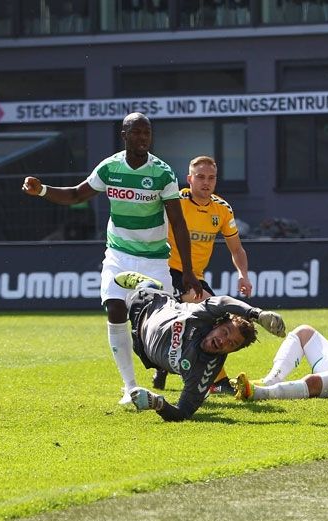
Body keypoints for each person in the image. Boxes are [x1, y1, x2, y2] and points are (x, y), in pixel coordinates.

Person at [22, 113, 201, 405]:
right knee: (115, 309)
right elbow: (75, 195)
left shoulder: (162, 173)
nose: (143, 138)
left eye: (147, 133)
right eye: (137, 132)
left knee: (162, 326)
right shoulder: (109, 167)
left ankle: (178, 374)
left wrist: (189, 272)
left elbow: (178, 224)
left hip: (154, 260)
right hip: (119, 255)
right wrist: (42, 190)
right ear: (124, 135)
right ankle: (130, 388)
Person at [114, 271, 286, 421]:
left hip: (146, 351)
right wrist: (256, 314)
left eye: (231, 343)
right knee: (122, 302)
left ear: (232, 351)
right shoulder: (203, 316)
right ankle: (147, 284)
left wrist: (159, 405)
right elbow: (223, 302)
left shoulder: (206, 370)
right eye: (225, 332)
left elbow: (183, 412)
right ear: (216, 324)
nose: (223, 341)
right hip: (150, 306)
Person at [152, 155, 253, 394]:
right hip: (168, 272)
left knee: (199, 323)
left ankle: (163, 365)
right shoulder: (175, 201)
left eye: (211, 178)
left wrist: (243, 274)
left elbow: (237, 249)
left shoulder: (222, 209)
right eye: (200, 177)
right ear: (189, 179)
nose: (206, 182)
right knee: (215, 318)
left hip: (195, 276)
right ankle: (217, 382)